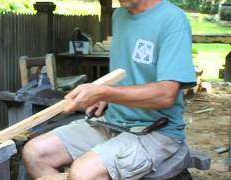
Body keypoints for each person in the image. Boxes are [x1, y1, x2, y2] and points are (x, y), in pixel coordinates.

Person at [22, 0, 196, 179]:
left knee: (83, 173)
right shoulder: (119, 15)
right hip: (112, 121)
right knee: (35, 153)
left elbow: (166, 94)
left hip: (156, 130)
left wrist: (105, 92)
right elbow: (127, 72)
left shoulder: (173, 19)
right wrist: (108, 94)